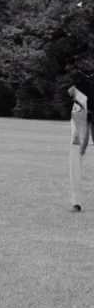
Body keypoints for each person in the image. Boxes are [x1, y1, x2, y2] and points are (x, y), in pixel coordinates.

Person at [68, 84, 92, 212]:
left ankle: (76, 202)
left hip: (79, 142)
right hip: (80, 140)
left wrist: (82, 145)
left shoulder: (82, 99)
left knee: (76, 170)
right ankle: (76, 202)